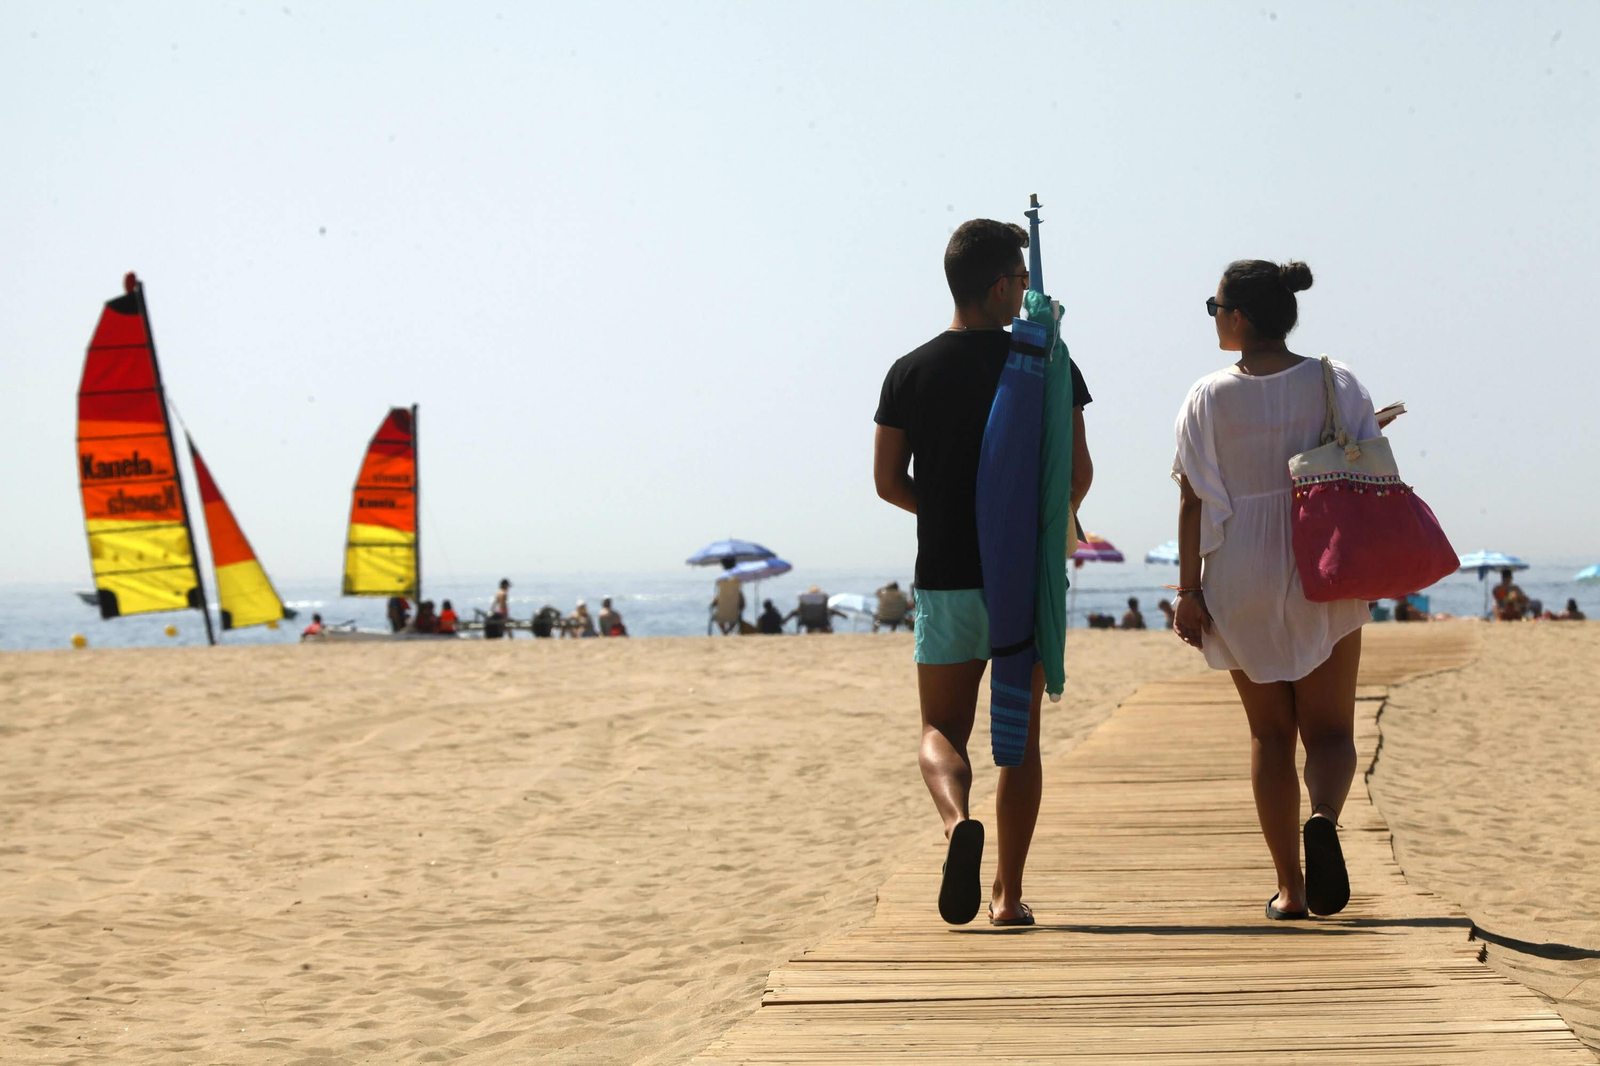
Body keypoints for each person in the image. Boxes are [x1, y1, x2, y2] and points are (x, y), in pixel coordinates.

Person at [874, 217, 1094, 927]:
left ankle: (954, 822)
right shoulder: (1048, 363)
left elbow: (886, 481)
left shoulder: (909, 370)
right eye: (1021, 281)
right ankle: (1006, 896)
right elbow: (1077, 473)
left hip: (944, 573)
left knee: (941, 727)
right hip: (1020, 579)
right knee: (1018, 739)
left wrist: (943, 514)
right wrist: (1028, 526)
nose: (1027, 291)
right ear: (1001, 286)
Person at [1172, 259, 1373, 922]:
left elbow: (1193, 501)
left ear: (1241, 317)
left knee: (1268, 736)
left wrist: (1188, 590)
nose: (1214, 316)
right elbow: (1369, 472)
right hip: (1322, 564)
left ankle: (1290, 888)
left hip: (1239, 572)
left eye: (1216, 305)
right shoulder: (1334, 381)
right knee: (1331, 732)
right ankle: (1324, 817)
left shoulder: (1206, 396)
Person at [710, 557, 746, 636]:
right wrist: (742, 604)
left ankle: (724, 632)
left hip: (722, 612)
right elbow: (742, 601)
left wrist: (713, 603)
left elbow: (718, 597)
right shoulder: (737, 581)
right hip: (734, 611)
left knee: (717, 617)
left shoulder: (721, 581)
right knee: (736, 617)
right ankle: (728, 631)